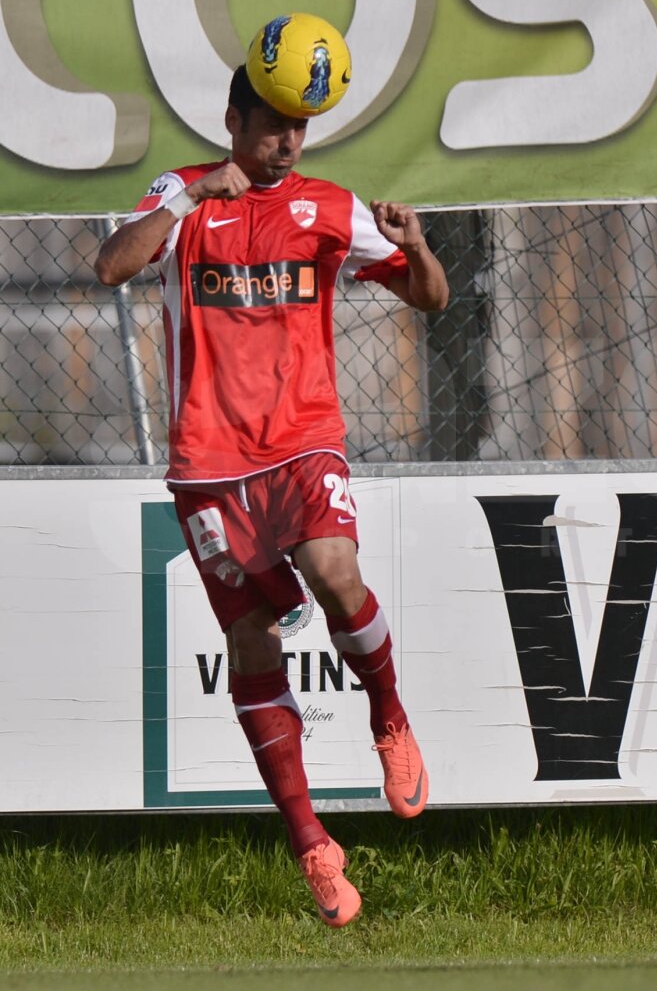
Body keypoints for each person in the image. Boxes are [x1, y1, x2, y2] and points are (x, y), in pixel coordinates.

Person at [95, 64, 449, 928]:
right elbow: (110, 266)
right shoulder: (181, 195)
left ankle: (390, 719)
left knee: (336, 571)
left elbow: (428, 298)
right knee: (252, 638)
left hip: (302, 442)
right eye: (272, 126)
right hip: (210, 463)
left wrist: (421, 245)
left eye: (299, 127)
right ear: (232, 121)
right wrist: (190, 201)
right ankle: (312, 845)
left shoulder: (329, 206)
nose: (287, 142)